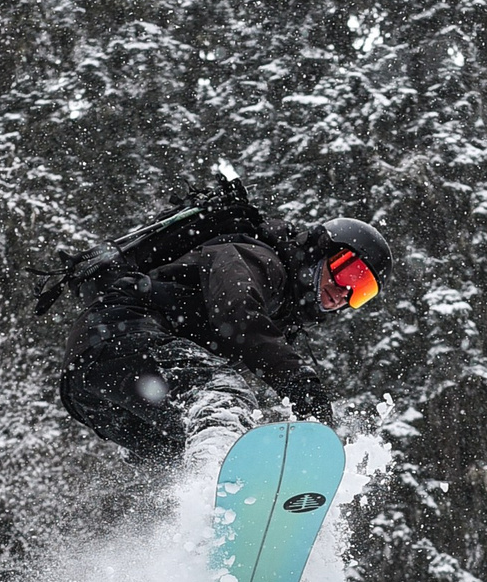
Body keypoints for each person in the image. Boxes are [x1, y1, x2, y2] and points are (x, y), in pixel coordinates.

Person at [55, 192, 391, 465]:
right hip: (122, 336)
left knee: (189, 451)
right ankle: (216, 491)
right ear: (321, 250)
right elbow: (238, 312)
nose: (345, 293)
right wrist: (301, 384)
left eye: (361, 292)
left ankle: (193, 518)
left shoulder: (280, 309)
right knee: (224, 400)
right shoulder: (260, 258)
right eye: (350, 273)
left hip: (99, 393)